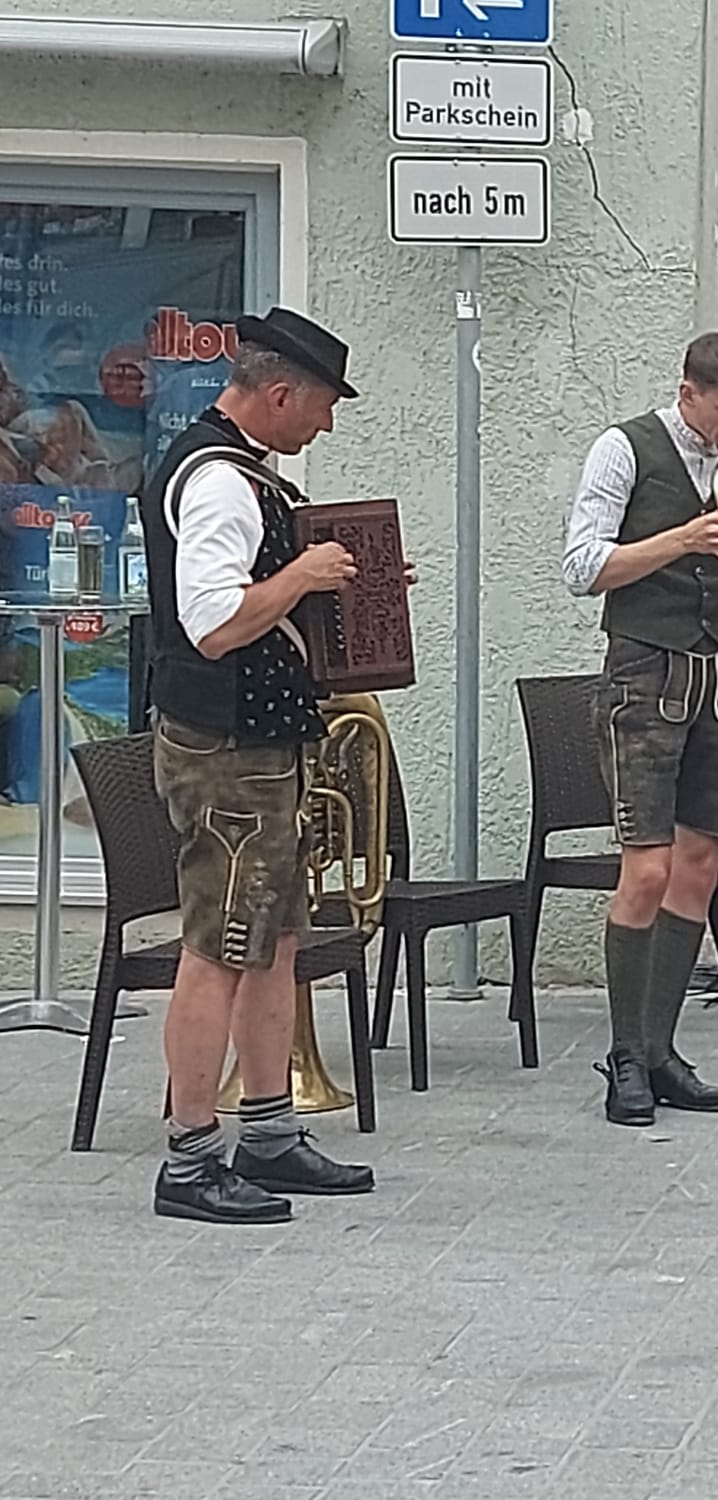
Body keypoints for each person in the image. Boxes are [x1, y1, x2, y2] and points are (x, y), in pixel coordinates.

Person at [142, 308, 378, 1224]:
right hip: (226, 749)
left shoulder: (244, 473)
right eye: (319, 409)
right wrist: (303, 577)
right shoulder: (217, 482)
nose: (322, 427)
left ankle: (270, 1129)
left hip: (256, 743)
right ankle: (191, 1156)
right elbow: (213, 624)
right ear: (278, 394)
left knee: (274, 943)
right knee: (217, 950)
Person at [562, 330, 718, 1126]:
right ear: (688, 391)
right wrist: (683, 540)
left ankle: (661, 1050)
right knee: (647, 870)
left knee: (699, 864)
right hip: (646, 674)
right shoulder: (623, 449)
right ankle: (625, 1054)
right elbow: (583, 568)